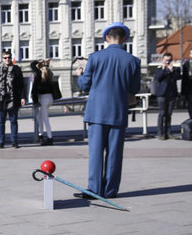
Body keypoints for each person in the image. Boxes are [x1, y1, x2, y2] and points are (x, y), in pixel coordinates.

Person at [75, 22, 140, 199]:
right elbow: (134, 88)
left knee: (96, 153)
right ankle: (111, 190)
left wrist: (80, 75)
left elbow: (85, 85)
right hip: (118, 112)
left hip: (96, 112)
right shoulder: (133, 61)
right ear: (124, 39)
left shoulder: (95, 57)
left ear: (106, 38)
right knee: (115, 154)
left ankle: (94, 190)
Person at [0, 51, 26, 148]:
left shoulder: (16, 69)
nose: (7, 59)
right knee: (1, 122)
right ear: (2, 59)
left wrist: (23, 97)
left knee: (13, 121)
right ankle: (1, 141)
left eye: (9, 57)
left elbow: (21, 85)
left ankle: (14, 141)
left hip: (13, 100)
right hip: (1, 101)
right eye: (5, 58)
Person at [154, 52, 181, 140]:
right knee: (162, 113)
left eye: (169, 60)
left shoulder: (175, 69)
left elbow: (178, 77)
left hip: (171, 94)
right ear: (163, 60)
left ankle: (168, 132)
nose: (168, 62)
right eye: (166, 60)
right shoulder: (159, 69)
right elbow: (158, 78)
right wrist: (163, 69)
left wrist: (172, 70)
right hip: (161, 94)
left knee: (169, 114)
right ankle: (160, 133)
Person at [30, 58, 56, 146]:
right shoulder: (49, 73)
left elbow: (32, 65)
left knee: (45, 119)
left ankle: (50, 137)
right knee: (39, 116)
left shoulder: (38, 75)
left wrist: (38, 61)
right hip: (50, 98)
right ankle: (41, 135)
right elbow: (45, 68)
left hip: (43, 98)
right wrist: (45, 63)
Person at [180, 50, 192, 119]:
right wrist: (183, 93)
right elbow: (184, 79)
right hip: (189, 90)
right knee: (190, 107)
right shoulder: (186, 65)